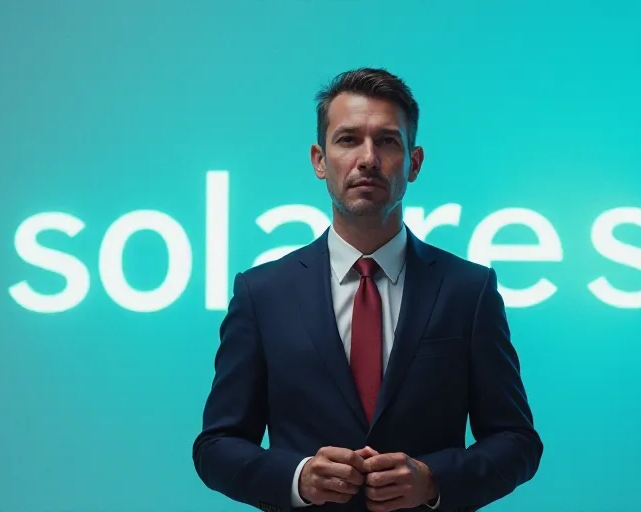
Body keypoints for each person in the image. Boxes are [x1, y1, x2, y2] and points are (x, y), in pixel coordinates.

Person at [192, 67, 543, 512]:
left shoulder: (469, 291)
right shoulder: (262, 294)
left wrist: (433, 481)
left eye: (388, 141)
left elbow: (517, 442)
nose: (368, 158)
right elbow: (216, 446)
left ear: (414, 163)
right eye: (348, 139)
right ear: (319, 160)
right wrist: (298, 478)